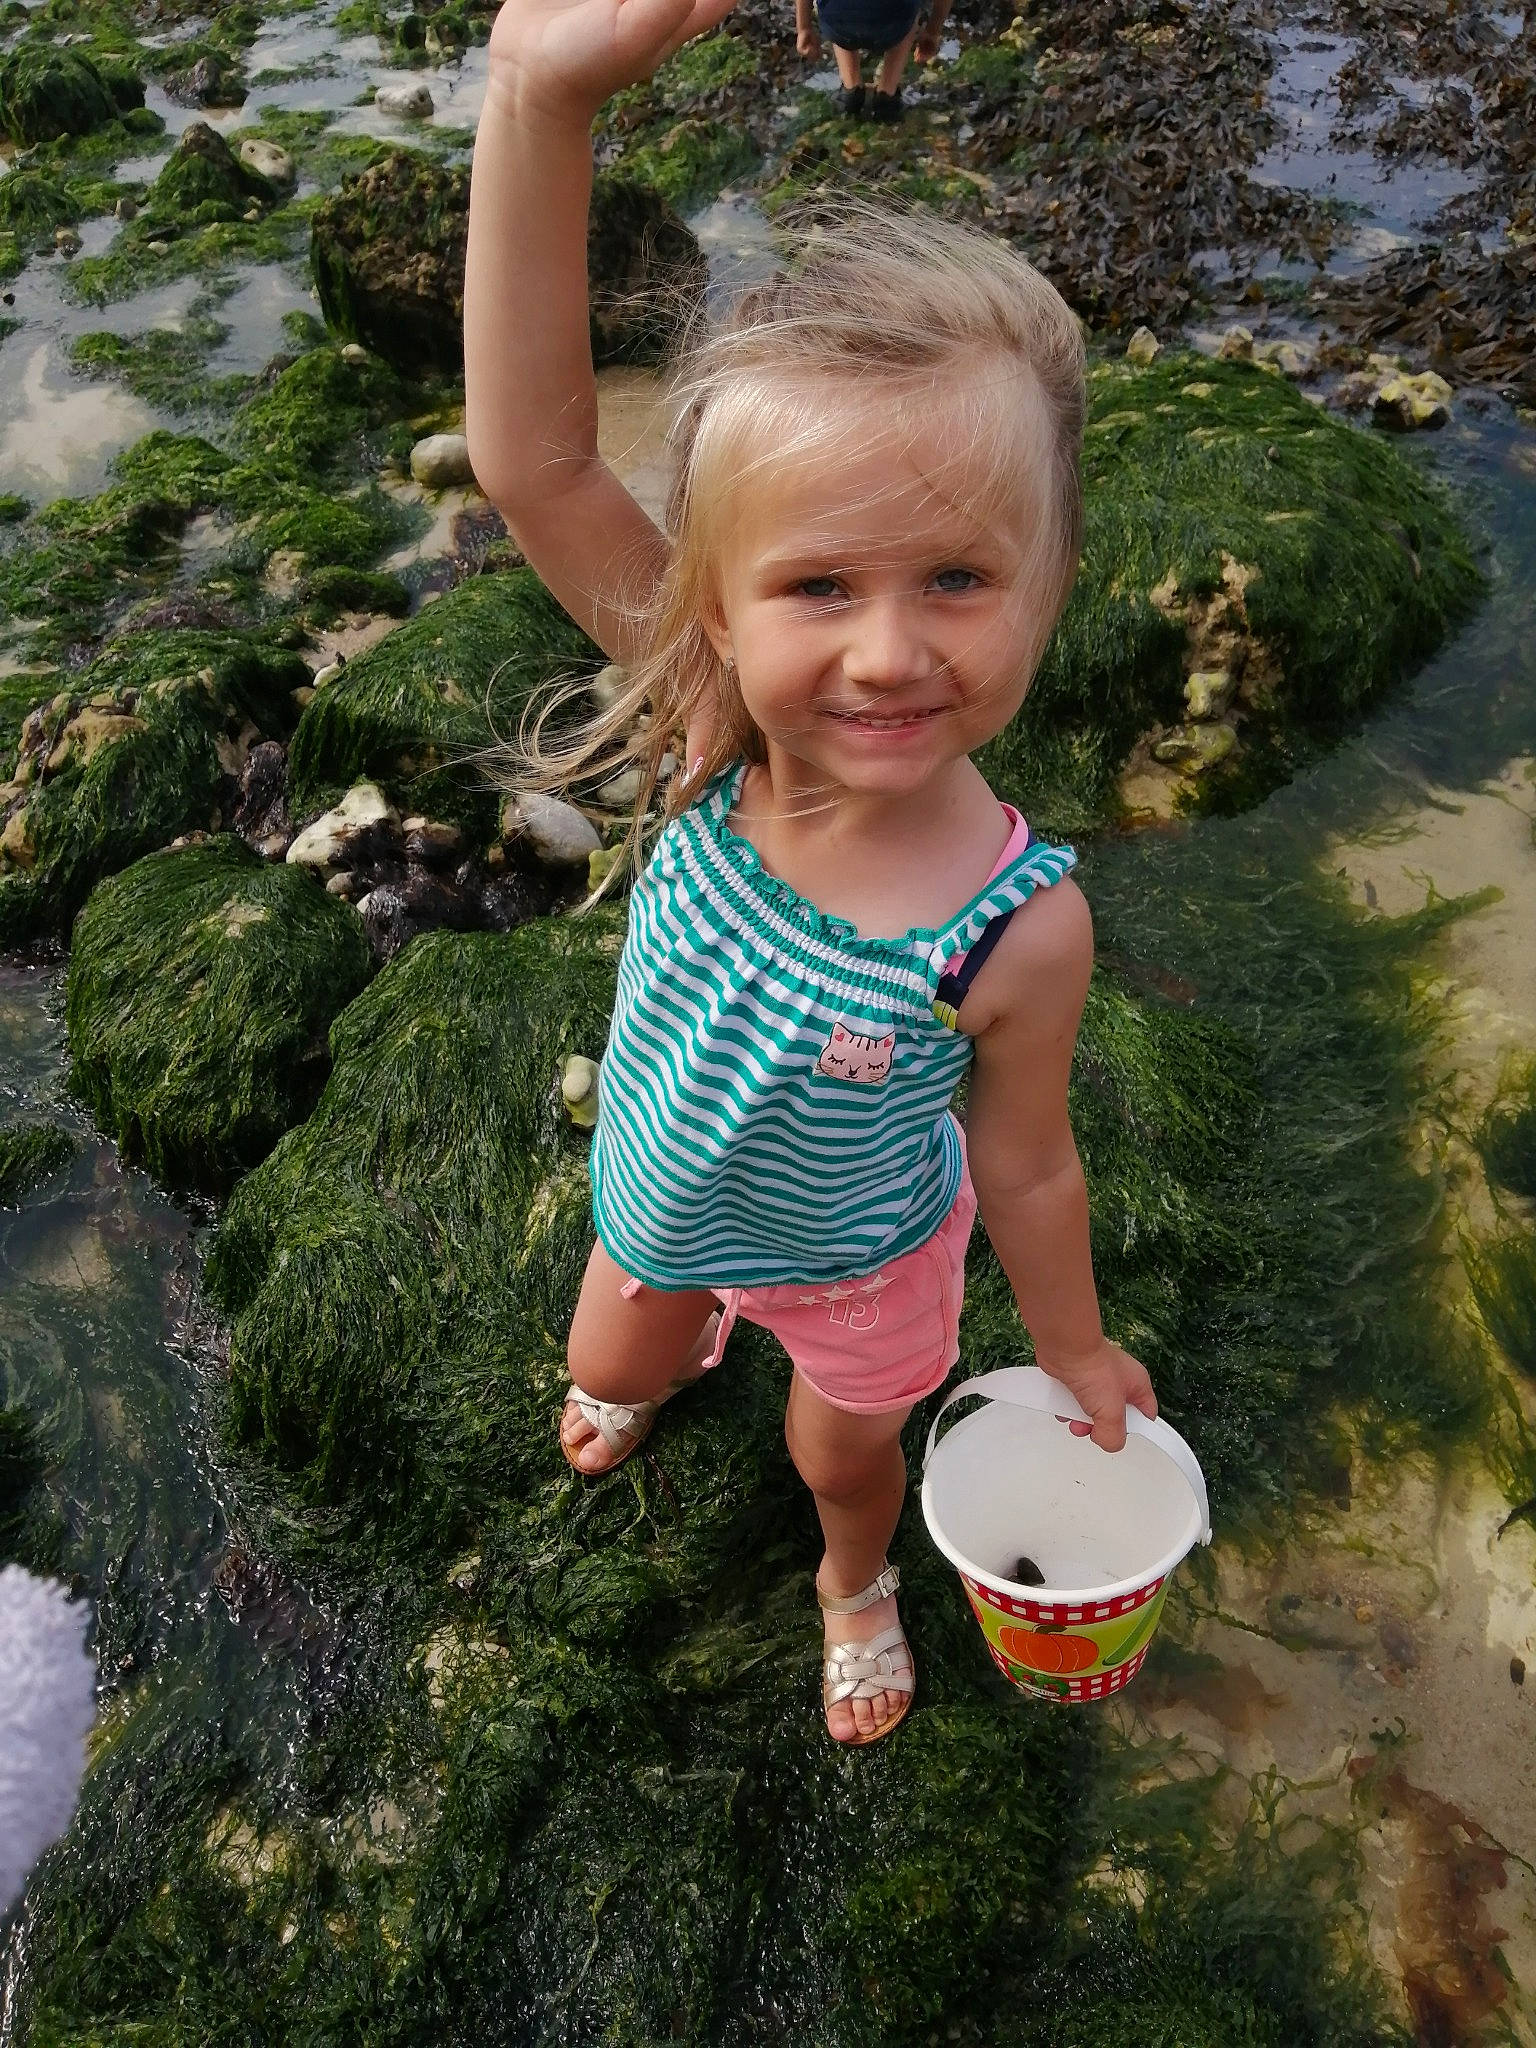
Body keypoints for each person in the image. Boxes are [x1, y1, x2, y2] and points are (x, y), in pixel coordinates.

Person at [464, 0, 1158, 1748]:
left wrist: (1071, 1348)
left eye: (954, 578)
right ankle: (671, 1345)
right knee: (611, 1361)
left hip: (864, 1259)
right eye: (819, 586)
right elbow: (534, 456)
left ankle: (850, 1583)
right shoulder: (718, 729)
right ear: (715, 603)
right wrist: (537, 94)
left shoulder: (1021, 921)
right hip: (662, 1189)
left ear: (1051, 575)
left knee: (846, 1459)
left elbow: (1029, 1159)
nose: (886, 652)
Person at [795, 0, 953, 122]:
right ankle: (887, 95)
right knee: (909, 11)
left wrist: (804, 28)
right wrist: (932, 31)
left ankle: (850, 90)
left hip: (838, 25)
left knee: (843, 7)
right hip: (893, 26)